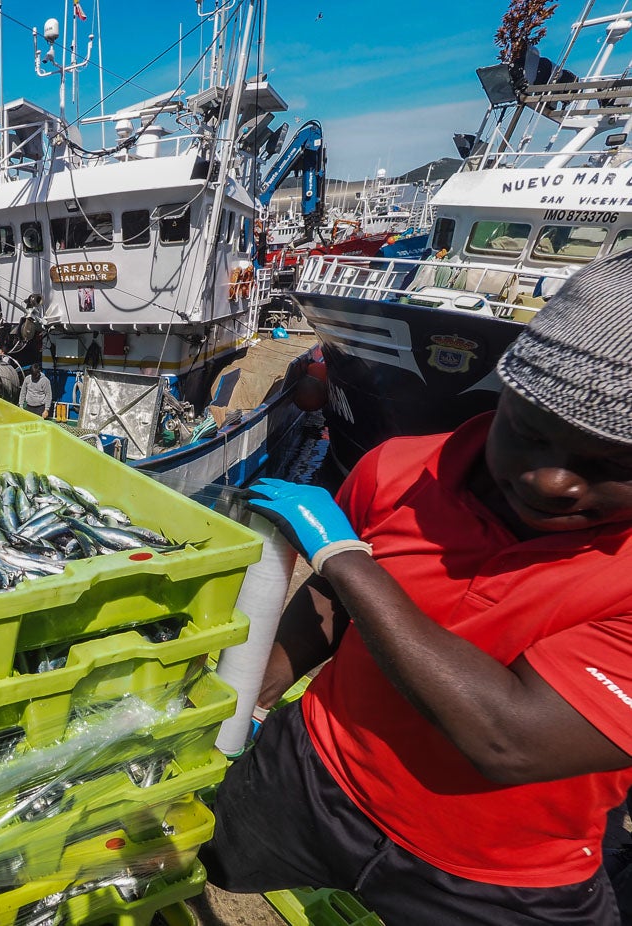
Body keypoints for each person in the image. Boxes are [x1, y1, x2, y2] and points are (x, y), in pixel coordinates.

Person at [203, 251, 632, 925]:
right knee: (204, 863)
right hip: (311, 772)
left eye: (613, 466)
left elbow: (509, 741)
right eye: (527, 433)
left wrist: (345, 557)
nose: (552, 482)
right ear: (504, 394)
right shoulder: (396, 466)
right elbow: (331, 605)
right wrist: (241, 696)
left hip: (493, 870)